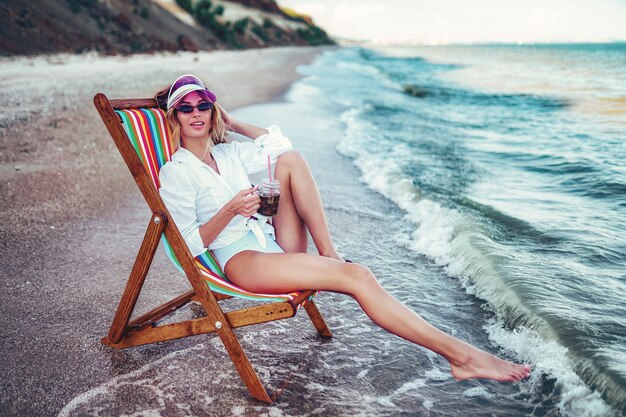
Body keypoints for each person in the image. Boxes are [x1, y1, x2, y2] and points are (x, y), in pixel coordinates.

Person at [155, 74, 531, 383]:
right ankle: (463, 357)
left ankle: (329, 253)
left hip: (268, 240)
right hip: (240, 257)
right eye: (185, 109)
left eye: (203, 104)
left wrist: (232, 122)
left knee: (291, 159)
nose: (196, 113)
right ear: (175, 118)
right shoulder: (177, 172)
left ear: (212, 109)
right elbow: (187, 246)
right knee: (358, 277)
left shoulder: (228, 153)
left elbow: (280, 143)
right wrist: (230, 210)